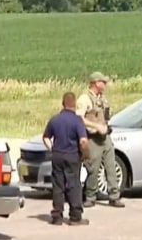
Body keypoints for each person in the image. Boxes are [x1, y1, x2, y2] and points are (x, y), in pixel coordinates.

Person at [75, 72, 125, 208]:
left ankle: (114, 196)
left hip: (105, 137)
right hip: (92, 138)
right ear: (95, 83)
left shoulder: (102, 98)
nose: (105, 84)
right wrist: (96, 126)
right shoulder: (84, 99)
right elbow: (79, 118)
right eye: (102, 82)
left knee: (111, 166)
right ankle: (90, 196)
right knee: (93, 168)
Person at [42, 92, 89, 226]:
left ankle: (57, 216)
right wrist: (85, 154)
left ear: (63, 103)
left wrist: (52, 148)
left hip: (57, 155)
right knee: (73, 185)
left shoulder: (55, 119)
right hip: (72, 156)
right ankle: (75, 216)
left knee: (58, 186)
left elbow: (45, 137)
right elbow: (83, 141)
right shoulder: (77, 121)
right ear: (74, 104)